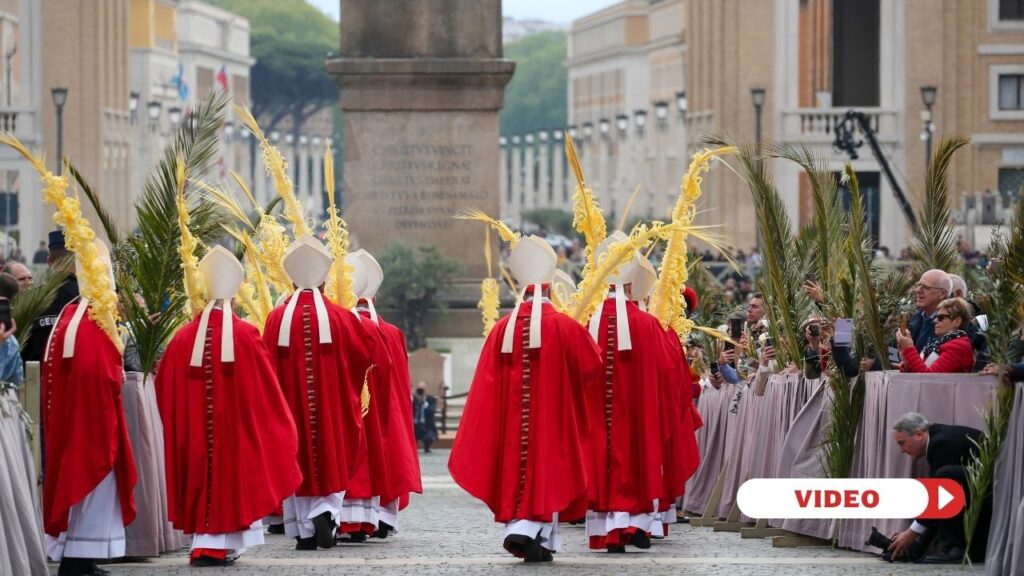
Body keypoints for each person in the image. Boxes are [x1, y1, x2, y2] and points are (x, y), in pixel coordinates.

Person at [449, 235, 603, 563]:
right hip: (553, 420)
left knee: (518, 468)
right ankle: (529, 528)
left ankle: (532, 531)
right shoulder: (566, 327)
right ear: (550, 287)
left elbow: (486, 382)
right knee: (550, 469)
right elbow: (593, 366)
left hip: (512, 427)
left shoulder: (502, 329)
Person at [155, 246, 301, 567]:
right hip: (234, 435)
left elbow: (163, 389)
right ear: (233, 297)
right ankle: (221, 545)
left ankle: (206, 544)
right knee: (230, 481)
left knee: (201, 480)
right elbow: (268, 390)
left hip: (193, 436)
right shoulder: (247, 334)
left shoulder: (182, 338)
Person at [263, 235, 375, 551]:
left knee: (297, 456)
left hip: (291, 408)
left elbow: (266, 364)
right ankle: (326, 511)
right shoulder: (341, 318)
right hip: (332, 410)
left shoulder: (276, 318)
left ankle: (304, 532)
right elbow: (365, 354)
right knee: (332, 452)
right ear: (325, 279)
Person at [43, 240, 137, 576]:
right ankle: (78, 559)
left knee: (83, 494)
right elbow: (101, 373)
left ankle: (82, 558)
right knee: (93, 489)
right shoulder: (93, 321)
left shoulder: (71, 315)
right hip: (93, 426)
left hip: (72, 424)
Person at [582, 233, 673, 553]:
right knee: (636, 461)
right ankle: (632, 523)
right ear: (632, 285)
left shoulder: (591, 323)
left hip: (600, 419)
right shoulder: (648, 325)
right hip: (638, 416)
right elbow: (668, 373)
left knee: (605, 462)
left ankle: (610, 531)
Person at [341, 249, 423, 540]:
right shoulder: (391, 332)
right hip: (387, 410)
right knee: (385, 453)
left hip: (352, 410)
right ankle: (382, 517)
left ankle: (350, 519)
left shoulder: (342, 327)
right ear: (374, 299)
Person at [888, 412, 988, 563]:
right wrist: (916, 545)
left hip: (994, 496)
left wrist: (911, 534)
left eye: (902, 443)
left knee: (945, 479)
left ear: (919, 435)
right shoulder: (937, 440)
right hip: (984, 494)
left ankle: (958, 549)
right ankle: (951, 548)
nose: (902, 450)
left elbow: (939, 496)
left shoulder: (941, 443)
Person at [22, 230, 79, 363]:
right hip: (76, 379)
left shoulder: (31, 298)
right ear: (78, 260)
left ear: (49, 261)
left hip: (39, 379)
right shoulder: (90, 298)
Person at [896, 298, 975, 374]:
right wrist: (907, 364)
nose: (935, 321)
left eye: (941, 318)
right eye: (936, 317)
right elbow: (923, 371)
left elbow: (930, 379)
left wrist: (909, 348)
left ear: (957, 321)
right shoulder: (940, 342)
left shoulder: (958, 346)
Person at [412, 382, 438, 453]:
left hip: (427, 426)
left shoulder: (431, 399)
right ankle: (412, 449)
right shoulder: (413, 400)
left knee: (429, 437)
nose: (421, 392)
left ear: (426, 390)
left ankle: (427, 447)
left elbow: (432, 411)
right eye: (419, 389)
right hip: (414, 426)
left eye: (422, 389)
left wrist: (424, 402)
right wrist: (413, 399)